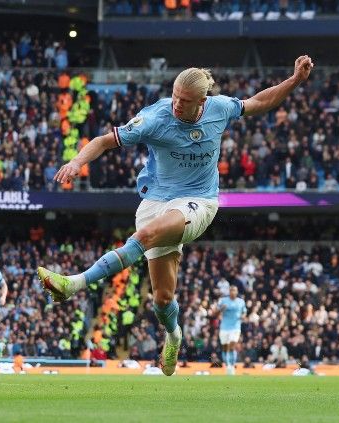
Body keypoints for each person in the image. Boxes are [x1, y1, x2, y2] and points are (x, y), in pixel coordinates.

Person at [38, 55, 314, 376]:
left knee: (144, 236)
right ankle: (173, 334)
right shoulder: (154, 118)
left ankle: (73, 284)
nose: (177, 104)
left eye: (184, 100)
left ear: (202, 101)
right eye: (174, 96)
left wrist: (294, 81)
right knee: (162, 298)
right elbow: (103, 141)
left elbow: (259, 101)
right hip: (155, 200)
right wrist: (76, 162)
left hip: (199, 201)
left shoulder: (219, 109)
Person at [218, 285, 246, 375]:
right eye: (231, 290)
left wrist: (243, 316)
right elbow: (215, 312)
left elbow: (244, 312)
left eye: (234, 290)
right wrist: (221, 309)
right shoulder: (223, 301)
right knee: (225, 348)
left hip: (235, 327)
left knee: (232, 345)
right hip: (224, 327)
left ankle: (232, 365)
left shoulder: (241, 302)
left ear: (237, 292)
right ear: (229, 292)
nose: (233, 292)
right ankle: (227, 365)